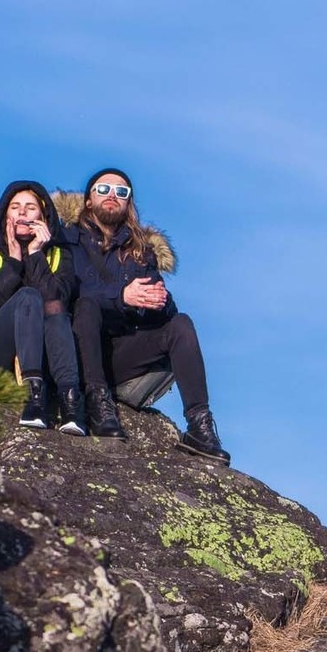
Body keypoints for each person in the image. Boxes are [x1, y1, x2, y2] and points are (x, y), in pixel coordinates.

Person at [66, 167, 226, 461]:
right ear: (88, 200)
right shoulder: (67, 242)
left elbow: (164, 312)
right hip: (80, 350)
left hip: (124, 353)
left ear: (129, 203)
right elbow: (66, 295)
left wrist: (158, 301)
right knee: (86, 307)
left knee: (181, 324)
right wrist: (120, 298)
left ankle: (199, 424)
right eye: (103, 190)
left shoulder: (141, 251)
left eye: (121, 192)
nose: (112, 196)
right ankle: (97, 404)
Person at [0, 179, 88, 432]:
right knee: (27, 297)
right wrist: (12, 263)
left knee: (52, 308)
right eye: (15, 207)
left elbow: (57, 305)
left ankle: (71, 403)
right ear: (4, 215)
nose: (22, 212)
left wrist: (35, 254)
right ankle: (32, 396)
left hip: (45, 351)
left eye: (31, 207)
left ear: (44, 216)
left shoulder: (60, 255)